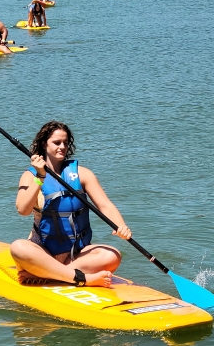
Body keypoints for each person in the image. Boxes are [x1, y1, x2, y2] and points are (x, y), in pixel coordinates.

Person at [10, 121, 132, 288]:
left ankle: (48, 274)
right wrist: (40, 177)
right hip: (43, 251)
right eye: (56, 142)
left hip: (76, 254)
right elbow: (23, 210)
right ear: (44, 144)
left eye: (66, 143)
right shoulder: (29, 176)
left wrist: (121, 226)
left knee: (113, 255)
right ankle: (85, 279)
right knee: (18, 248)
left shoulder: (82, 174)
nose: (62, 146)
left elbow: (105, 206)